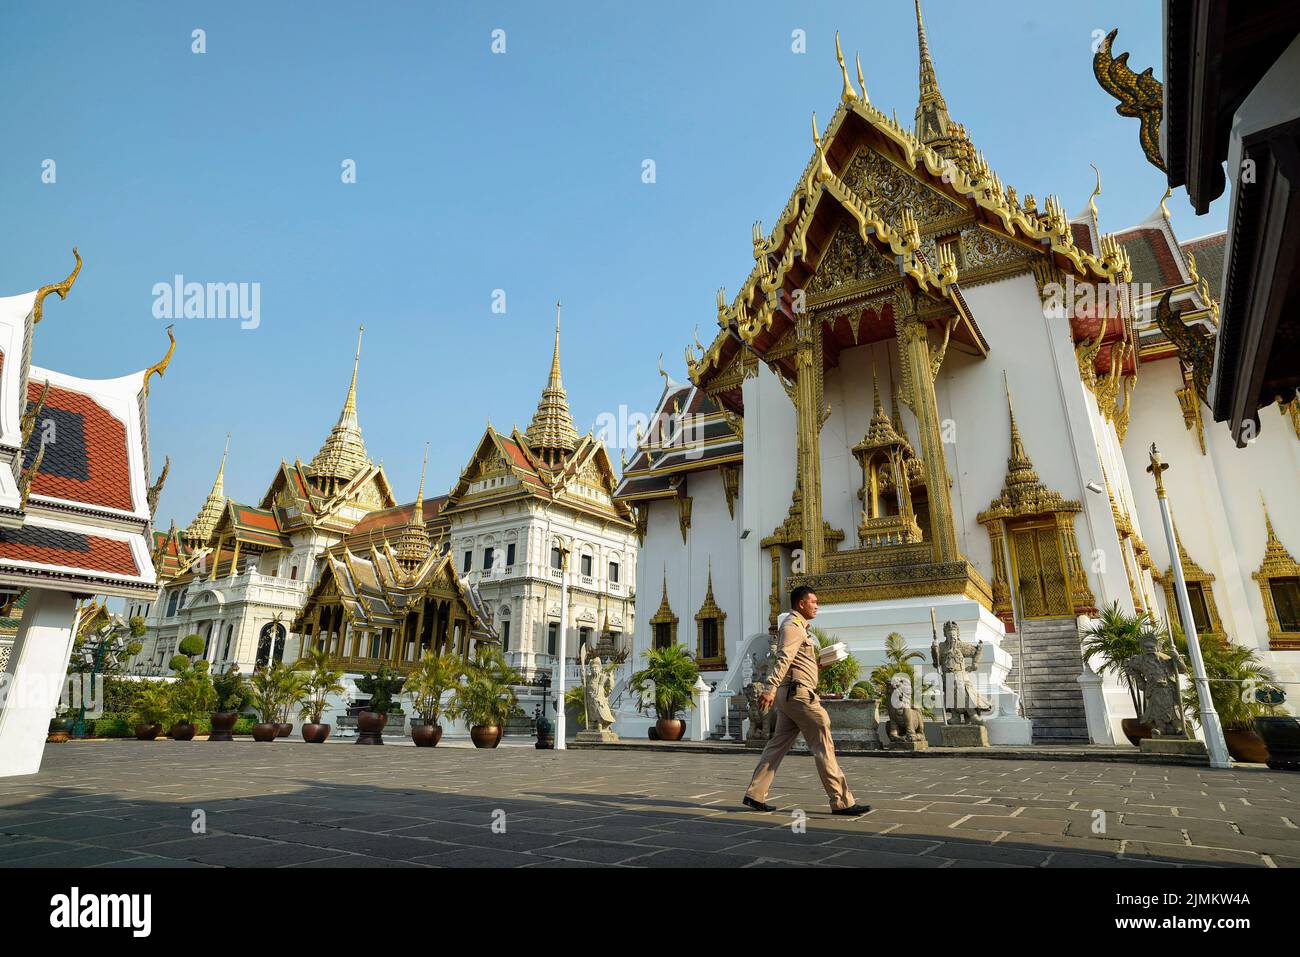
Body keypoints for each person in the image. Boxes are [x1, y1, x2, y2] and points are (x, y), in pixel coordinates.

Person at [742, 586, 870, 816]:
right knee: (823, 743)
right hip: (799, 695)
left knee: (777, 745)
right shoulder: (793, 626)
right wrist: (769, 688)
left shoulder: (800, 628)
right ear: (802, 603)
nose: (817, 605)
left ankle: (755, 794)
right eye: (814, 601)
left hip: (792, 693)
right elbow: (783, 659)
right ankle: (842, 801)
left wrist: (819, 664)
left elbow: (795, 660)